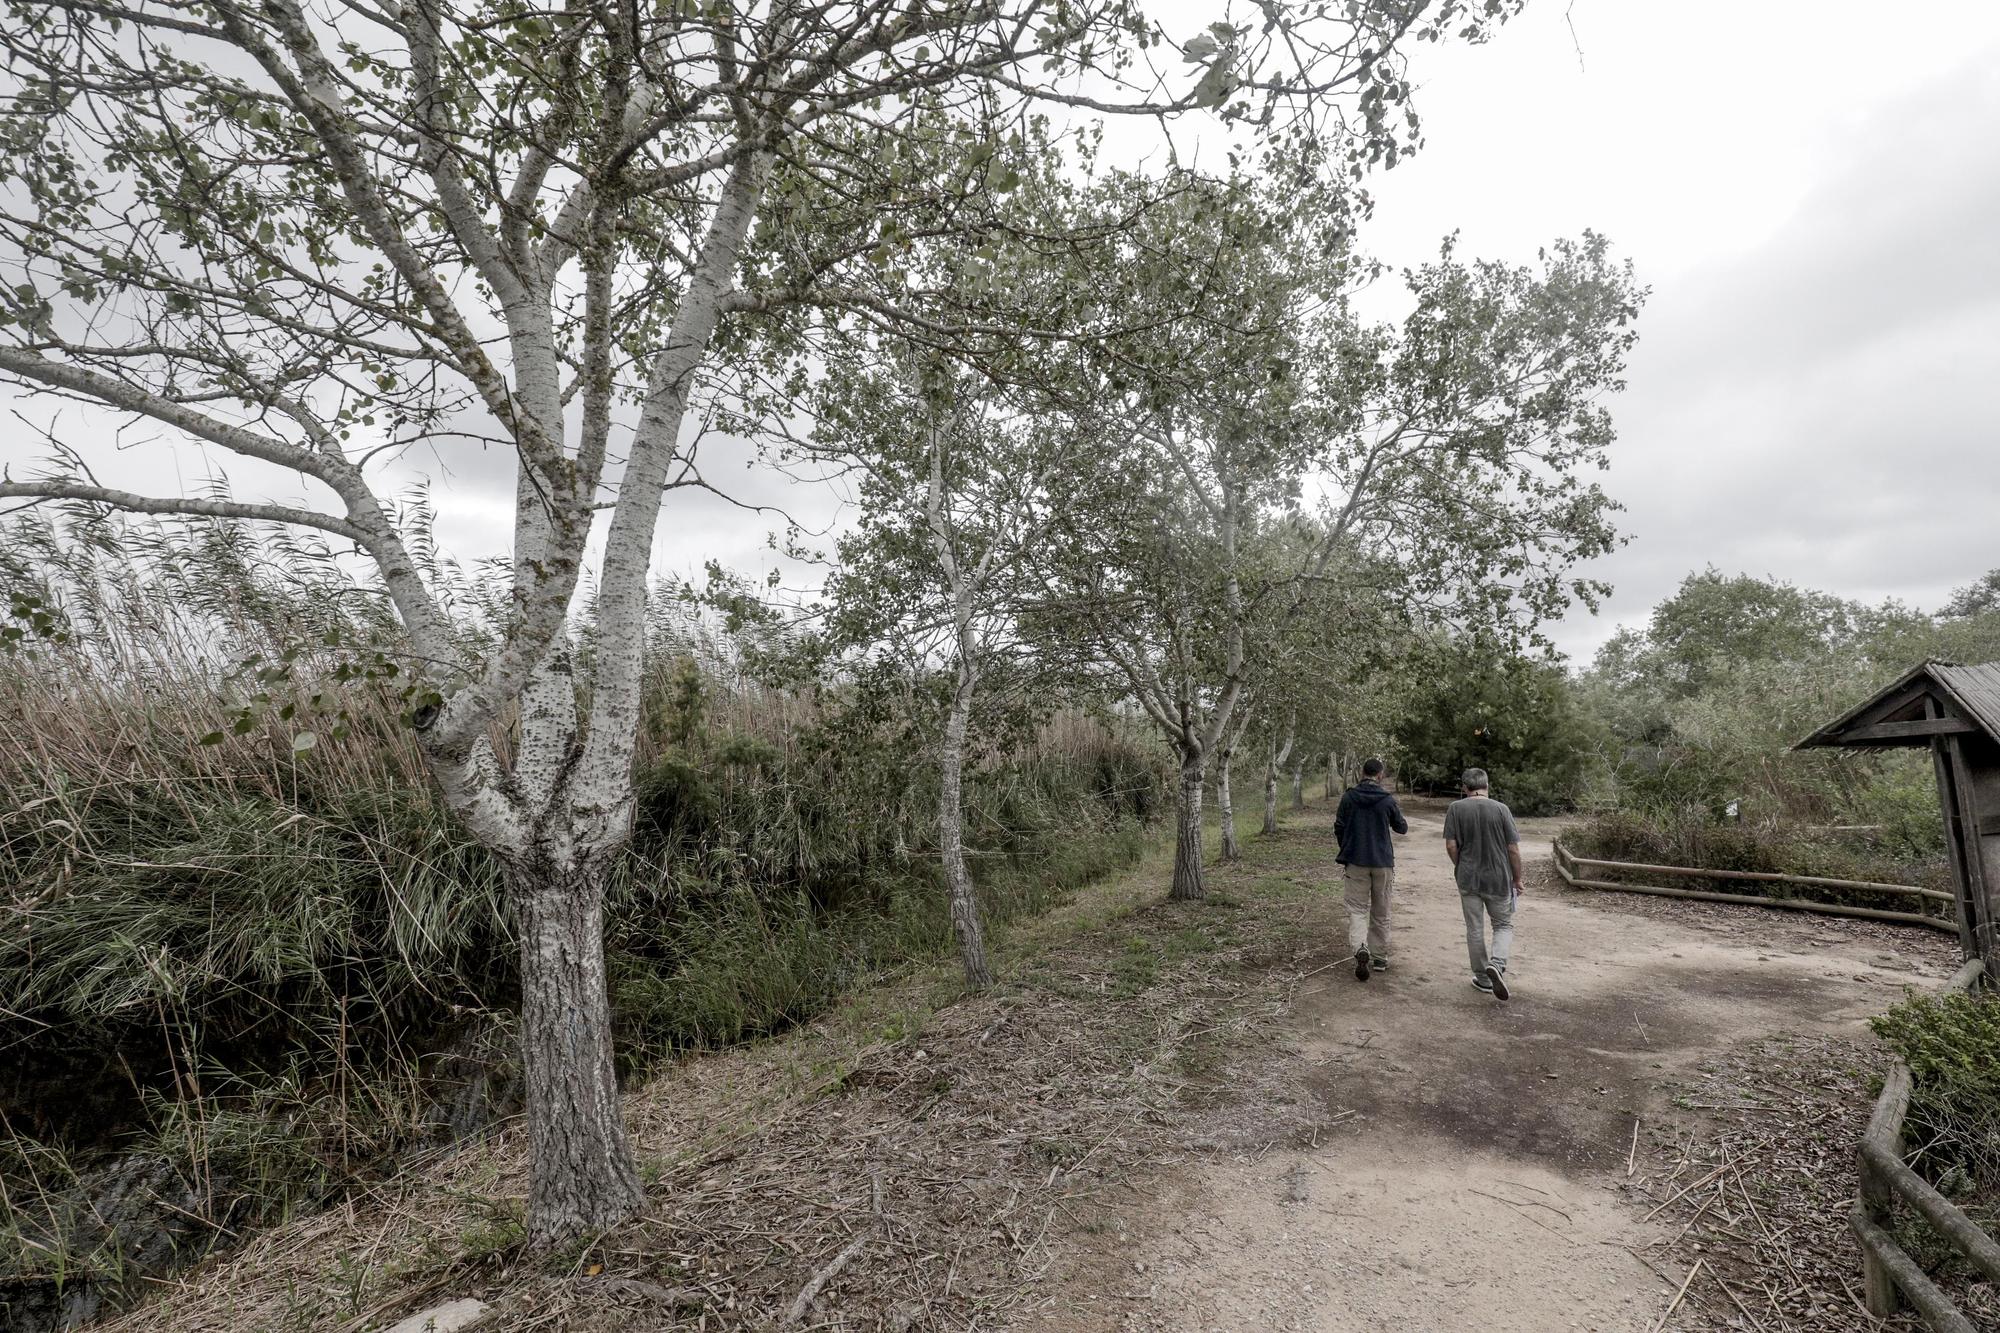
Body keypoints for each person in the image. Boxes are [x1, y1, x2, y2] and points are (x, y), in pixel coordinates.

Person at [1442, 767, 1524, 1001]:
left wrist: (1461, 865)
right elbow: (1513, 849)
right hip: (1498, 878)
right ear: (1487, 785)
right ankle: (1497, 964)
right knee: (1503, 925)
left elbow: (1450, 845)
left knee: (1474, 928)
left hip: (1468, 878)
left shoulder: (1455, 809)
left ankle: (1483, 977)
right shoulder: (1501, 810)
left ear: (1464, 787)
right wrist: (1517, 879)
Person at [1333, 757, 1408, 983]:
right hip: (1382, 862)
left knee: (1357, 909)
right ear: (1380, 774)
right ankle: (1380, 958)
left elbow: (1339, 826)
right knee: (1381, 910)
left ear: (1362, 772)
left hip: (1356, 861)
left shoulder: (1349, 797)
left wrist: (1346, 847)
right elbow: (1402, 827)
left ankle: (1360, 949)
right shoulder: (1387, 800)